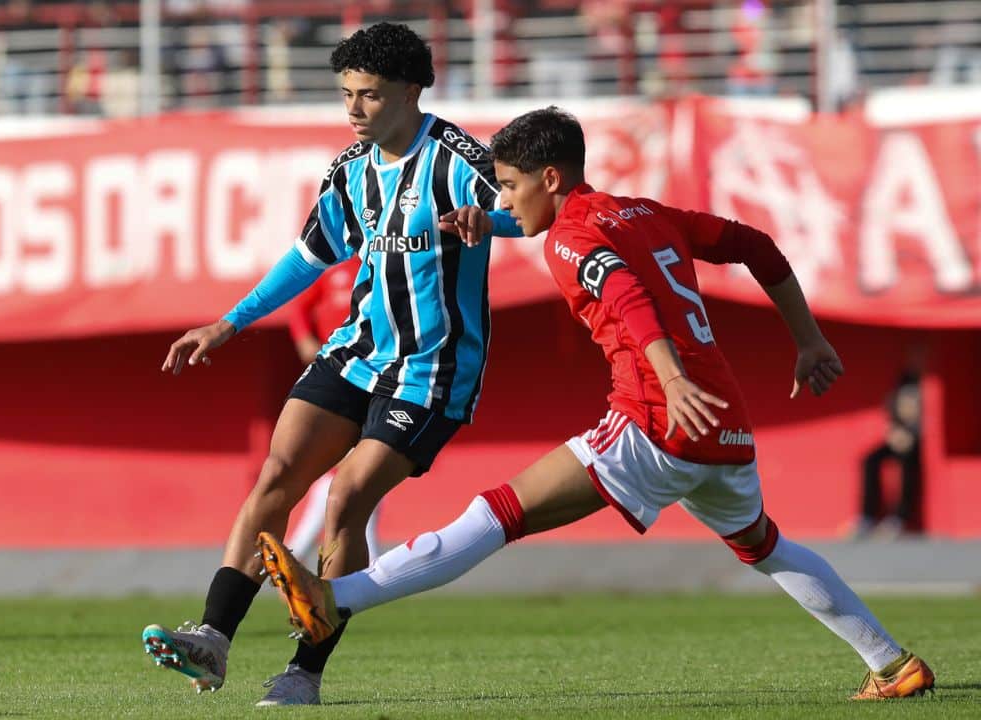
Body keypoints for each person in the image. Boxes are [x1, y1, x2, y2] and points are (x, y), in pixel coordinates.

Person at [256, 106, 935, 702]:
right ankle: (891, 663)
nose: (506, 201)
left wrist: (666, 379)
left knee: (496, 513)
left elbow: (625, 298)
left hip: (657, 417)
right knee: (764, 545)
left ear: (549, 178)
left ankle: (332, 598)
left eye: (512, 188)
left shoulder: (569, 237)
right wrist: (808, 340)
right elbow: (753, 245)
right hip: (722, 422)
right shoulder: (641, 212)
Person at [142, 22, 522, 707]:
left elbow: (537, 210)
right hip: (355, 350)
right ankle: (213, 639)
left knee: (347, 501)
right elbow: (309, 256)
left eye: (369, 96)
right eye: (347, 94)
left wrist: (491, 223)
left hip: (431, 370)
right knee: (277, 478)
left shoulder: (461, 157)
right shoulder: (350, 168)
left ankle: (304, 673)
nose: (353, 110)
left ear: (411, 92)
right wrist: (229, 321)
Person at [282, 259, 382, 565]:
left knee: (368, 467)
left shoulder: (384, 262)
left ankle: (299, 552)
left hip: (377, 373)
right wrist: (304, 341)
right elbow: (298, 309)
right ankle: (301, 551)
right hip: (337, 374)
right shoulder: (333, 267)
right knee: (352, 469)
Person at [854, 369, 923, 539]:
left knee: (907, 463)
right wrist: (895, 434)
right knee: (870, 460)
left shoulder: (927, 387)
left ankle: (898, 518)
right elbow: (893, 418)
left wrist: (912, 435)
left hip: (916, 441)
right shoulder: (900, 386)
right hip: (898, 438)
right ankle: (867, 517)